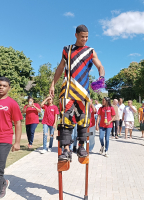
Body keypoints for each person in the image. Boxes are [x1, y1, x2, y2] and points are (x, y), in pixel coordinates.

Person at [49, 24, 105, 161]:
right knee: (65, 120)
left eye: (87, 37)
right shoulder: (66, 50)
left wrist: (101, 77)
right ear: (76, 35)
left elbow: (100, 66)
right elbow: (60, 67)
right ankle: (66, 150)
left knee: (83, 120)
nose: (85, 39)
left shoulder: (90, 51)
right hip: (67, 90)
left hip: (83, 91)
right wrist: (52, 84)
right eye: (82, 37)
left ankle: (81, 147)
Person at [0, 77, 23, 199]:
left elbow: (18, 123)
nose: (1, 87)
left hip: (5, 138)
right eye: (0, 85)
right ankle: (4, 182)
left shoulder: (12, 103)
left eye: (4, 85)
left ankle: (1, 187)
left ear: (8, 88)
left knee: (0, 166)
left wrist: (17, 142)